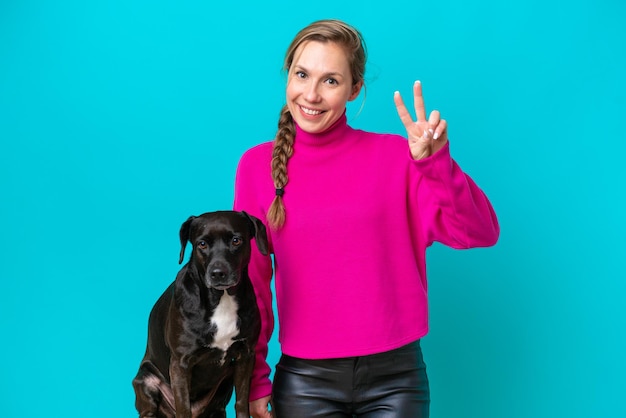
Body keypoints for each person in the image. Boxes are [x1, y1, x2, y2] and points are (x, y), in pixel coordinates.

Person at [233, 19, 499, 418]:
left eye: (331, 81)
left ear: (355, 89)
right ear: (288, 73)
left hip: (396, 378)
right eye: (302, 74)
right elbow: (249, 285)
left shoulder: (399, 159)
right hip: (305, 382)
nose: (311, 94)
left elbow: (478, 232)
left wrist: (435, 163)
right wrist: (253, 380)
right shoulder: (256, 167)